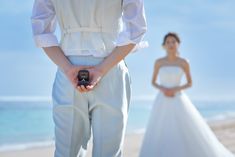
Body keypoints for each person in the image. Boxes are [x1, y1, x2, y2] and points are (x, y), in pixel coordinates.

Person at [31, 0, 147, 157]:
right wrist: (101, 69)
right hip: (111, 68)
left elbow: (41, 32)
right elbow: (136, 31)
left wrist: (68, 69)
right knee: (108, 152)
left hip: (68, 71)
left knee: (66, 152)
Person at [139, 32, 235, 157]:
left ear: (178, 44)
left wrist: (175, 89)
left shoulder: (184, 62)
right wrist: (163, 89)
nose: (171, 44)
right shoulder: (159, 62)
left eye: (173, 41)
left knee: (185, 130)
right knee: (160, 130)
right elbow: (153, 82)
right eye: (168, 42)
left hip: (178, 98)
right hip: (162, 100)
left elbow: (190, 83)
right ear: (164, 45)